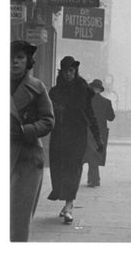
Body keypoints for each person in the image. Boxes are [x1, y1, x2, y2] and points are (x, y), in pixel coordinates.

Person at [48, 56, 104, 224]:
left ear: (75, 71)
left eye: (71, 71)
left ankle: (69, 205)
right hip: (59, 136)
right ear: (61, 71)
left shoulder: (83, 90)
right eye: (66, 71)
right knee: (59, 169)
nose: (68, 74)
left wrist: (98, 137)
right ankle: (65, 200)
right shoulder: (54, 92)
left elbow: (90, 114)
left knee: (73, 169)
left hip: (77, 135)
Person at [10, 40, 54, 242]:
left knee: (19, 216)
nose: (14, 62)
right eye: (10, 58)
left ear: (28, 61)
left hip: (27, 157)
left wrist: (25, 130)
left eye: (20, 58)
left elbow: (48, 120)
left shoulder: (37, 87)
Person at [83, 79, 116, 187]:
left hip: (88, 131)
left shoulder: (85, 100)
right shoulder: (106, 102)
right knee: (95, 154)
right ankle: (94, 178)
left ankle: (93, 178)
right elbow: (111, 118)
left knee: (90, 153)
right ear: (100, 90)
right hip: (101, 132)